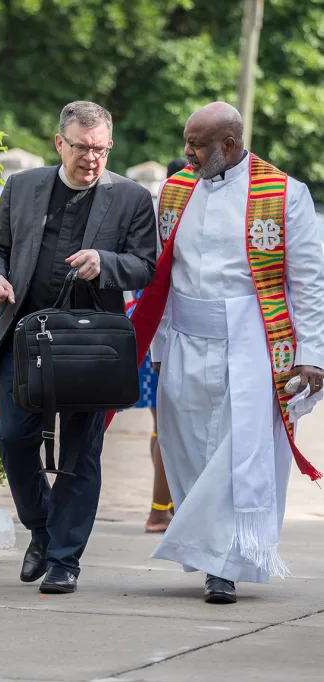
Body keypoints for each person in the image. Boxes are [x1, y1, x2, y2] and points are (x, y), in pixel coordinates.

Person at [131, 101, 324, 604]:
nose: (186, 154)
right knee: (188, 448)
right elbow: (161, 273)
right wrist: (154, 345)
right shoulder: (174, 191)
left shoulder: (284, 193)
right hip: (183, 344)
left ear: (230, 146)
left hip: (254, 347)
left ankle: (226, 567)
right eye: (187, 142)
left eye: (197, 145)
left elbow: (308, 283)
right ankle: (213, 554)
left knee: (240, 457)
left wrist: (313, 354)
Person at [0, 101, 157, 594]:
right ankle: (40, 527)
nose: (92, 158)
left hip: (93, 343)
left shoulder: (132, 198)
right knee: (14, 438)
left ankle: (64, 560)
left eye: (101, 149)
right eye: (82, 148)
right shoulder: (22, 186)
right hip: (27, 338)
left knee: (81, 452)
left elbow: (146, 265)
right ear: (60, 143)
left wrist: (106, 262)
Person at [136, 156, 189, 534]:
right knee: (167, 428)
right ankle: (159, 510)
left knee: (164, 427)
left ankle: (164, 507)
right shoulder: (166, 219)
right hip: (160, 339)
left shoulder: (156, 218)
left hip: (151, 336)